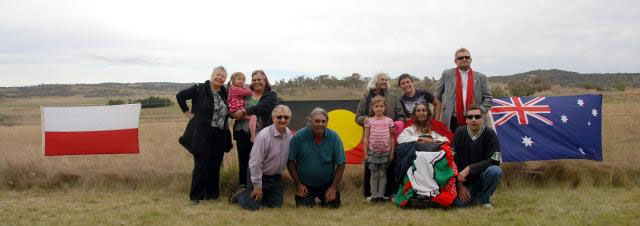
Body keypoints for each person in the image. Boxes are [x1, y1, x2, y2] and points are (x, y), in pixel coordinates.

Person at [176, 66, 233, 205]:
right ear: (212, 75)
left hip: (219, 134)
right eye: (218, 75)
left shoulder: (224, 93)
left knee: (215, 165)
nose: (220, 78)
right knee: (201, 165)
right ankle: (196, 197)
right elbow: (180, 96)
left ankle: (212, 195)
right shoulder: (199, 89)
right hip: (202, 134)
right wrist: (187, 112)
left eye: (223, 76)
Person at [229, 105, 292, 210]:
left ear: (289, 119)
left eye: (286, 117)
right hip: (259, 174)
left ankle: (263, 194)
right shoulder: (263, 136)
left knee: (275, 206)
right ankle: (240, 195)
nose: (282, 120)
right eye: (279, 117)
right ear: (273, 118)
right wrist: (257, 186)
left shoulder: (289, 135)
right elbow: (255, 163)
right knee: (252, 207)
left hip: (275, 178)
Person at [355, 72, 406, 199]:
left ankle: (387, 194)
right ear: (375, 82)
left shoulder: (393, 97)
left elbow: (402, 115)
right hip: (372, 141)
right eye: (381, 79)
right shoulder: (365, 97)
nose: (384, 81)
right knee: (371, 170)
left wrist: (397, 125)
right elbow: (357, 117)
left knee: (387, 168)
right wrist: (365, 119)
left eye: (386, 79)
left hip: (388, 139)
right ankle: (371, 194)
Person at [288, 108, 346, 208]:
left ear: (327, 122)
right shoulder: (298, 136)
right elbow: (290, 161)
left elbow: (341, 163)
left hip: (327, 184)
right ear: (310, 121)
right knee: (304, 207)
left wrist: (333, 187)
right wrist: (298, 184)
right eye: (317, 121)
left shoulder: (334, 137)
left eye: (324, 121)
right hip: (305, 185)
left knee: (333, 206)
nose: (320, 124)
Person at [232, 70, 278, 189]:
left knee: (259, 161)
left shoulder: (270, 96)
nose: (256, 82)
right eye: (254, 80)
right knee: (243, 161)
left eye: (259, 80)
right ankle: (242, 188)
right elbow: (233, 103)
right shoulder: (245, 93)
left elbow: (262, 107)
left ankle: (258, 188)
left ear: (265, 81)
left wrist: (245, 112)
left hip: (261, 134)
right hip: (241, 131)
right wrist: (233, 113)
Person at [452, 106, 502, 208]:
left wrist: (469, 169)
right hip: (465, 180)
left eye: (477, 116)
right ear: (466, 120)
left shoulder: (490, 134)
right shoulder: (459, 133)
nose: (473, 119)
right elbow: (453, 161)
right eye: (470, 117)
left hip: (483, 177)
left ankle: (485, 200)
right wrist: (460, 185)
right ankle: (475, 197)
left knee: (495, 171)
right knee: (459, 204)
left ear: (482, 118)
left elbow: (494, 160)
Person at [436, 48, 493, 132]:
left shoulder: (481, 77)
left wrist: (479, 111)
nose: (464, 59)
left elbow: (488, 98)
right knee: (452, 144)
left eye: (467, 57)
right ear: (455, 61)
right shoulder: (447, 74)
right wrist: (438, 115)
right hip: (451, 119)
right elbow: (437, 96)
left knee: (474, 144)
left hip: (473, 119)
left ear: (471, 60)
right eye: (460, 58)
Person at [363, 95, 395, 203]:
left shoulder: (389, 121)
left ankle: (381, 195)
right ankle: (374, 195)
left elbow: (391, 137)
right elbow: (366, 137)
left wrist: (392, 152)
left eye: (381, 106)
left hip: (385, 152)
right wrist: (365, 153)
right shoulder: (369, 121)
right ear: (372, 107)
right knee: (374, 174)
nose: (379, 108)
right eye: (376, 106)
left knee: (382, 174)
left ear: (385, 107)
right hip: (372, 152)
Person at [226, 72, 258, 142]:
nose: (241, 81)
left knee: (251, 118)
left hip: (235, 110)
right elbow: (249, 93)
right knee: (253, 117)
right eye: (239, 79)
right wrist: (247, 88)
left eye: (243, 79)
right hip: (236, 111)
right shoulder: (235, 89)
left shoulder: (234, 89)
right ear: (233, 81)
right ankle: (253, 136)